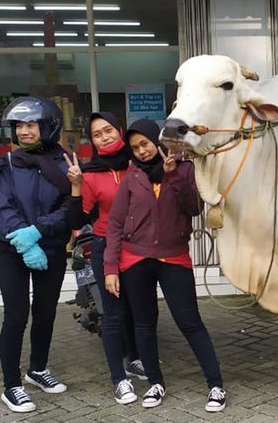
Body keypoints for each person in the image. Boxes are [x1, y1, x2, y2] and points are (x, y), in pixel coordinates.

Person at [103, 119, 226, 412]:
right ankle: (155, 383)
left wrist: (171, 176)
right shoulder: (132, 176)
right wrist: (110, 267)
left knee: (190, 322)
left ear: (157, 141)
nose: (142, 151)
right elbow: (116, 223)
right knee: (144, 325)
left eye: (145, 144)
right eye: (135, 148)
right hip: (135, 260)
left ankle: (216, 385)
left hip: (173, 257)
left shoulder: (183, 170)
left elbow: (193, 208)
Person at [0, 96, 71, 413]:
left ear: (48, 126)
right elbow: (4, 208)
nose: (24, 131)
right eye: (19, 125)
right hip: (11, 250)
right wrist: (24, 240)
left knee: (46, 312)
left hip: (50, 248)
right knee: (17, 315)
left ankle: (37, 369)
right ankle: (11, 385)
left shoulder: (65, 163)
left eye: (31, 124)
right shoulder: (7, 164)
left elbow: (71, 207)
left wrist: (39, 231)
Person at [63, 112, 146, 404]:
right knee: (112, 313)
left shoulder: (139, 164)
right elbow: (76, 217)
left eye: (108, 130)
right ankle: (119, 378)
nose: (104, 137)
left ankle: (136, 358)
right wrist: (76, 184)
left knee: (138, 309)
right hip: (104, 246)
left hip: (139, 248)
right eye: (97, 134)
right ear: (93, 142)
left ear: (120, 131)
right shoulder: (90, 173)